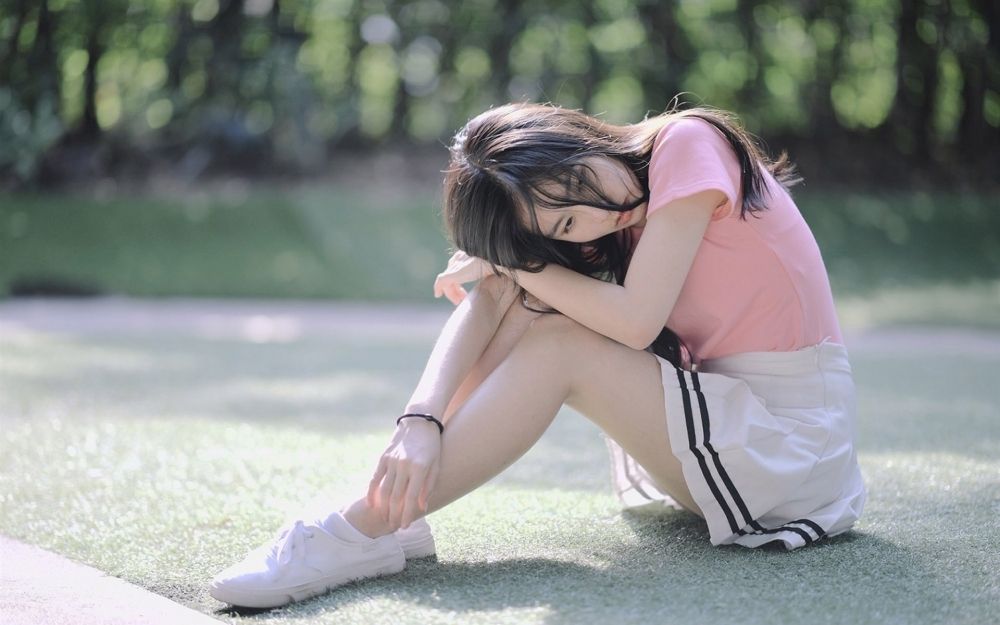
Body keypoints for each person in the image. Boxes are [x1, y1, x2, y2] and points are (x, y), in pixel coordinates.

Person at [209, 102, 866, 609]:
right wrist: (419, 421)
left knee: (559, 341)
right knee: (537, 311)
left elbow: (635, 321)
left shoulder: (686, 144)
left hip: (793, 447)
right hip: (730, 430)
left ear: (577, 136)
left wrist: (518, 265)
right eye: (566, 226)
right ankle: (388, 511)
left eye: (579, 181)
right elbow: (495, 304)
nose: (597, 213)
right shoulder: (611, 217)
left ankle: (354, 532)